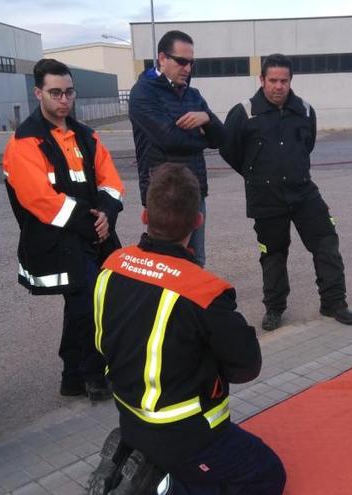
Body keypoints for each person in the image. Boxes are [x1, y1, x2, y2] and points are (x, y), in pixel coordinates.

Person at [88, 163, 285, 495]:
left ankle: (138, 455)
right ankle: (163, 486)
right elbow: (247, 367)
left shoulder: (111, 266)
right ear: (198, 221)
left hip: (130, 414)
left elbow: (103, 341)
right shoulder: (203, 292)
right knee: (268, 476)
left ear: (145, 216)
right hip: (186, 434)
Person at [2, 58, 124, 404]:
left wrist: (107, 212)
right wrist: (94, 222)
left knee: (87, 304)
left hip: (89, 235)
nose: (64, 99)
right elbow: (41, 200)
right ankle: (91, 375)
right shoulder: (25, 142)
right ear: (38, 92)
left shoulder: (86, 136)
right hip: (57, 239)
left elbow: (111, 182)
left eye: (69, 92)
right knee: (86, 304)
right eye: (55, 92)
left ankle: (74, 376)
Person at [220, 53, 352, 331]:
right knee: (273, 254)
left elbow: (307, 145)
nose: (278, 86)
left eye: (284, 80)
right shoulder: (244, 112)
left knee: (327, 243)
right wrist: (255, 175)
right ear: (261, 79)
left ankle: (333, 302)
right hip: (266, 198)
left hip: (303, 193)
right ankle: (274, 308)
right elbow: (229, 149)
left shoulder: (305, 111)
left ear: (291, 81)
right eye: (273, 80)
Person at [128, 30, 226, 267]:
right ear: (162, 58)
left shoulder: (193, 95)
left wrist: (206, 118)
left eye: (191, 62)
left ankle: (190, 305)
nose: (187, 68)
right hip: (163, 192)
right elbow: (170, 139)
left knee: (195, 259)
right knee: (164, 262)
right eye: (181, 61)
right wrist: (201, 136)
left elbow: (221, 138)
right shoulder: (143, 93)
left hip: (195, 190)